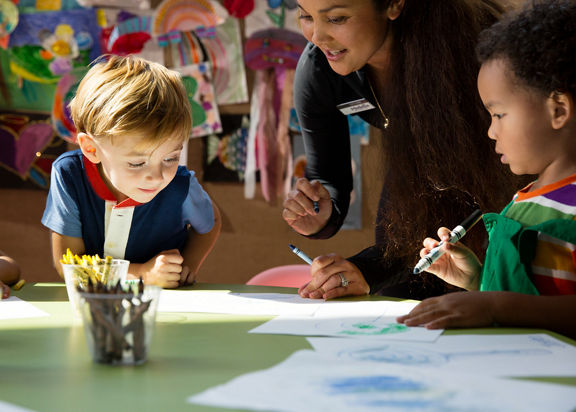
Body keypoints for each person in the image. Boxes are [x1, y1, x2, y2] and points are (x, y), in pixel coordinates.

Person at [283, 0, 523, 300]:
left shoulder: (475, 53)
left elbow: (517, 172)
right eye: (305, 16)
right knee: (404, 297)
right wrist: (319, 212)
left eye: (336, 18)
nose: (317, 35)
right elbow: (328, 180)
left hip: (508, 181)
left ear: (394, 4)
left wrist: (371, 268)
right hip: (422, 189)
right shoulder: (319, 69)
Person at [397, 0, 576, 339]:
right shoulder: (525, 199)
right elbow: (532, 295)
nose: (491, 132)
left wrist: (495, 306)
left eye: (498, 114)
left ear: (558, 110)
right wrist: (475, 280)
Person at [42, 55, 221, 288]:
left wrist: (189, 264)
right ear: (91, 148)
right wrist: (142, 274)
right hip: (91, 309)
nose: (157, 176)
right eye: (137, 163)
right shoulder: (69, 176)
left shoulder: (181, 185)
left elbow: (211, 221)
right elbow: (69, 267)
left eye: (171, 158)